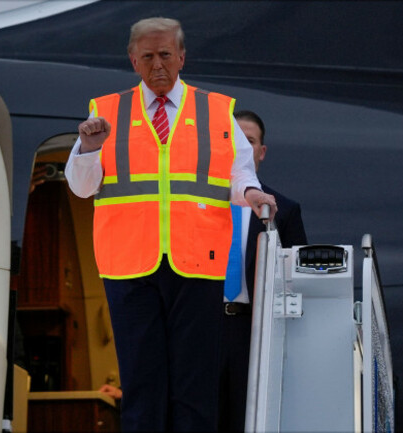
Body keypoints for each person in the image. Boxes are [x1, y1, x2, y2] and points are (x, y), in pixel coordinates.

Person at [65, 17, 277, 431]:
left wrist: (251, 194)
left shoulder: (217, 110)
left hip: (197, 261)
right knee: (142, 385)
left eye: (165, 54)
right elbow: (80, 187)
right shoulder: (105, 113)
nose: (157, 64)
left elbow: (240, 172)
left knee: (194, 386)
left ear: (182, 56)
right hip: (129, 266)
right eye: (147, 56)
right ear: (133, 60)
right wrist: (89, 148)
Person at [218, 110, 308, 432]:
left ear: (261, 151)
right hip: (203, 327)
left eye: (250, 141)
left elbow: (298, 283)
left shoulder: (283, 210)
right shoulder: (197, 203)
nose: (241, 147)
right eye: (234, 140)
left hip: (252, 331)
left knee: (249, 419)